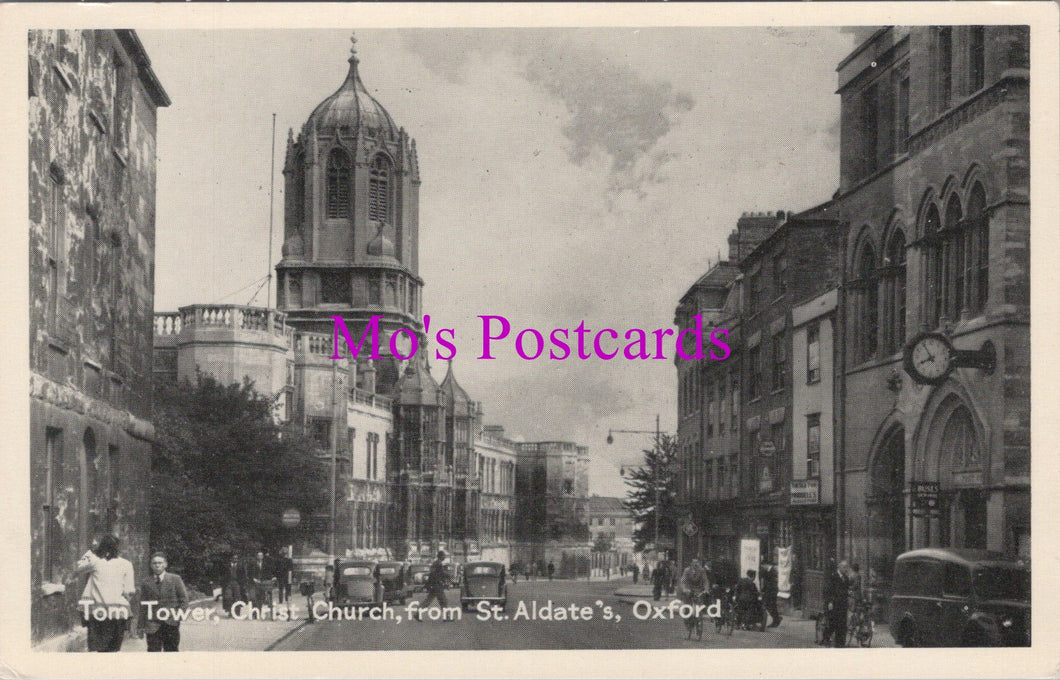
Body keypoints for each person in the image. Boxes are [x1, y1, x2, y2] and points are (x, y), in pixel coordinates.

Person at [75, 535, 136, 652]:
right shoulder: (126, 564)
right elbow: (129, 590)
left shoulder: (95, 561)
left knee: (99, 649)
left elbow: (78, 567)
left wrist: (91, 551)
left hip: (97, 610)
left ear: (101, 547)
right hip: (118, 611)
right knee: (113, 648)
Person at [139, 552, 188, 652]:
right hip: (152, 624)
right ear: (151, 565)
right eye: (154, 563)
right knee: (153, 652)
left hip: (171, 623)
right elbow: (143, 605)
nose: (157, 565)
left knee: (171, 652)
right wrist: (140, 626)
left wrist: (177, 617)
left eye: (160, 563)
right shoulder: (146, 582)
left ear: (165, 564)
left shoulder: (175, 579)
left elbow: (184, 600)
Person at [821, 560, 850, 647]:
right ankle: (826, 638)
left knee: (842, 624)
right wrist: (830, 601)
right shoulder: (833, 577)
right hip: (834, 603)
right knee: (833, 623)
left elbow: (846, 590)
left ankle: (840, 643)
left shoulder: (846, 578)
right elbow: (828, 590)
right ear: (839, 567)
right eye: (844, 567)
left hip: (843, 604)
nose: (846, 569)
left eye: (846, 567)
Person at [417, 550, 451, 621]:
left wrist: (428, 584)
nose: (444, 557)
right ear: (441, 556)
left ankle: (417, 613)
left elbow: (432, 574)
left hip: (434, 585)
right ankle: (446, 617)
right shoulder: (439, 564)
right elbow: (441, 574)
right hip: (437, 586)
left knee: (428, 601)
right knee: (443, 601)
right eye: (444, 556)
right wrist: (448, 575)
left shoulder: (435, 563)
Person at [760, 561, 782, 628]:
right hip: (768, 591)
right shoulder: (768, 571)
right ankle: (776, 618)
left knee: (771, 605)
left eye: (763, 566)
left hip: (772, 591)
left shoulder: (773, 571)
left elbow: (772, 582)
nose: (763, 567)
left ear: (766, 565)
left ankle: (776, 620)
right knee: (770, 605)